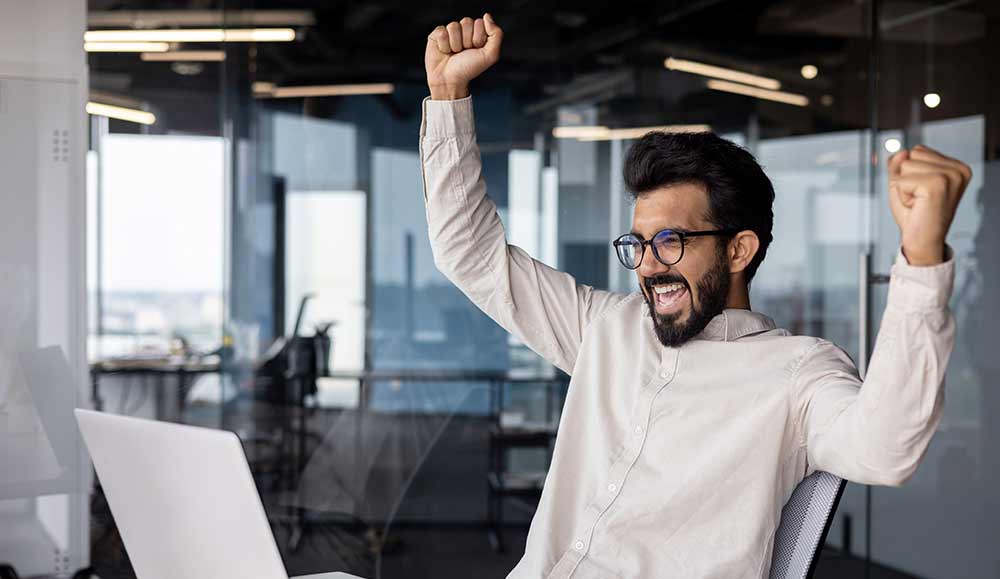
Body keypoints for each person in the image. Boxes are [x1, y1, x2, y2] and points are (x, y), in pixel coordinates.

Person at [421, 13, 969, 579]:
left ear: (739, 250)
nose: (648, 266)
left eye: (671, 242)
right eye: (638, 244)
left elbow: (886, 449)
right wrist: (447, 95)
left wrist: (922, 259)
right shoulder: (605, 326)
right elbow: (470, 255)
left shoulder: (797, 374)